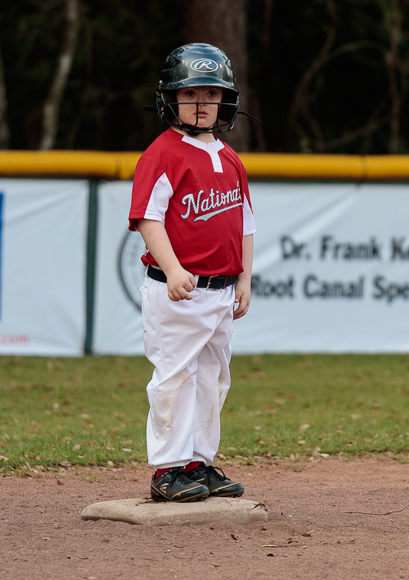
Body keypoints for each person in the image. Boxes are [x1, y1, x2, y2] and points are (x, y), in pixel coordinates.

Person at [128, 43, 256, 502]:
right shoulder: (162, 154)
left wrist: (244, 278)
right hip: (178, 291)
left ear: (226, 99)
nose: (202, 104)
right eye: (190, 94)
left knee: (213, 378)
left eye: (211, 93)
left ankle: (199, 463)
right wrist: (173, 267)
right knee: (174, 376)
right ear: (170, 99)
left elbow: (245, 222)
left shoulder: (229, 156)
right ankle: (167, 469)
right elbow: (148, 218)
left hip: (222, 292)